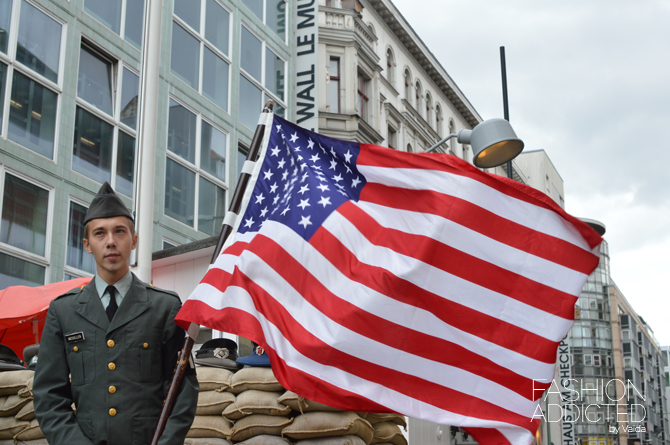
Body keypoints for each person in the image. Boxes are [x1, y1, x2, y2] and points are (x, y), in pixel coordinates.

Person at [33, 182, 198, 445]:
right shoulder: (63, 311)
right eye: (100, 233)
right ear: (87, 244)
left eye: (119, 231)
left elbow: (183, 391)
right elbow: (48, 396)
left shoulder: (164, 307)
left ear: (133, 240)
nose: (110, 241)